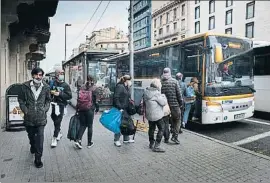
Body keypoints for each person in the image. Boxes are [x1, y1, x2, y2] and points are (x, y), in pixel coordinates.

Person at [18, 68, 51, 168]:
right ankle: (32, 145)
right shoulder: (25, 86)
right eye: (36, 75)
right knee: (31, 136)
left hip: (41, 118)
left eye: (40, 75)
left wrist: (45, 109)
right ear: (32, 75)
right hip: (29, 118)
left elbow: (48, 100)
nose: (38, 77)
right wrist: (25, 110)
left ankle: (38, 159)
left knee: (40, 139)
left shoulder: (46, 87)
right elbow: (21, 100)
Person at [74, 76, 99, 149]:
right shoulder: (94, 88)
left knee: (82, 125)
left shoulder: (82, 87)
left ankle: (78, 140)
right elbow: (96, 101)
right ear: (93, 80)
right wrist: (97, 109)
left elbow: (78, 99)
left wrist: (77, 109)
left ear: (87, 79)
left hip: (81, 109)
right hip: (90, 109)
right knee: (90, 126)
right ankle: (89, 143)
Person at [50, 68, 72, 148]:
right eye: (60, 73)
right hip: (54, 104)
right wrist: (52, 93)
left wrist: (60, 94)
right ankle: (58, 132)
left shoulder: (65, 85)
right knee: (53, 118)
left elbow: (69, 96)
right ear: (56, 75)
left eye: (63, 73)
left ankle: (54, 138)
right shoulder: (53, 83)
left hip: (61, 105)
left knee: (58, 121)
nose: (61, 75)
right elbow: (49, 91)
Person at [144, 79, 167, 152]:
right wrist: (163, 96)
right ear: (157, 85)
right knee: (162, 128)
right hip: (157, 115)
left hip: (149, 114)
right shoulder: (156, 93)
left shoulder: (146, 92)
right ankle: (157, 146)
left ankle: (151, 143)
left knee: (151, 129)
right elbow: (163, 103)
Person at [161, 68, 183, 144]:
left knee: (165, 122)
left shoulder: (161, 82)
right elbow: (179, 95)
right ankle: (174, 137)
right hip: (175, 106)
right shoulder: (174, 82)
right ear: (170, 73)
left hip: (165, 106)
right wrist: (180, 103)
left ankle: (166, 138)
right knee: (177, 120)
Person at [112, 75, 134, 147]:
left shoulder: (126, 87)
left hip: (126, 108)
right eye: (130, 80)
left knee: (126, 123)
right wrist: (119, 107)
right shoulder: (120, 86)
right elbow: (116, 97)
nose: (131, 82)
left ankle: (126, 139)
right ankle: (116, 140)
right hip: (121, 108)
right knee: (120, 124)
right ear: (126, 80)